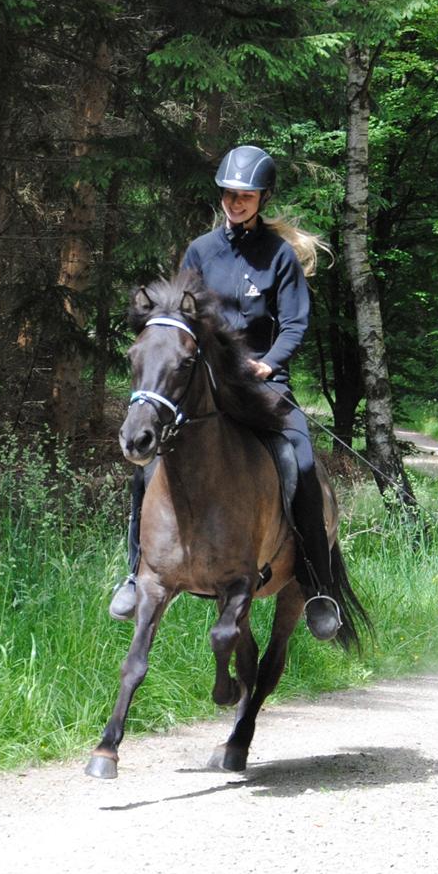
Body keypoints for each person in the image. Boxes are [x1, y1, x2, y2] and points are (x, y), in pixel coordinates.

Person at [109, 144, 342, 640]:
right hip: (209, 386)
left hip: (262, 385)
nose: (235, 203)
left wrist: (268, 363)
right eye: (229, 194)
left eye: (245, 195)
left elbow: (296, 325)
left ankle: (319, 586)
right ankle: (134, 573)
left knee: (300, 460)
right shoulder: (200, 250)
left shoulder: (279, 256)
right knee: (147, 466)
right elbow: (182, 317)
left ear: (262, 197)